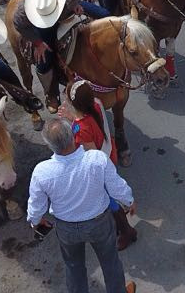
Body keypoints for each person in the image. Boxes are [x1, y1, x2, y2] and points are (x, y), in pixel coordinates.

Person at [26, 118, 137, 293]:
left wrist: (35, 221)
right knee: (110, 261)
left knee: (73, 267)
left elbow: (36, 205)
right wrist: (129, 201)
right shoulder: (96, 158)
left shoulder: (41, 171)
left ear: (49, 145)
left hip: (67, 229)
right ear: (72, 136)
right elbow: (117, 187)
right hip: (99, 223)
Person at [63, 80, 137, 249]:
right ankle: (123, 227)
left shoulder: (80, 128)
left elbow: (91, 155)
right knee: (111, 200)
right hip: (109, 154)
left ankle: (126, 231)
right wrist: (72, 117)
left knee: (110, 202)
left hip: (100, 169)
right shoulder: (96, 104)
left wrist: (72, 122)